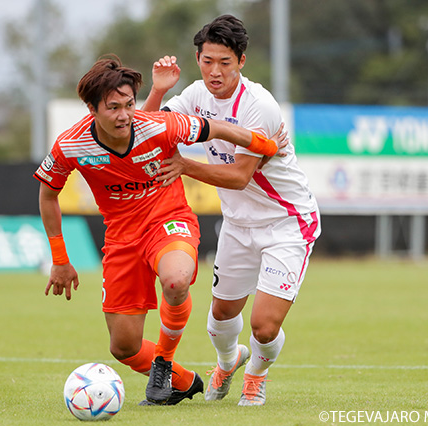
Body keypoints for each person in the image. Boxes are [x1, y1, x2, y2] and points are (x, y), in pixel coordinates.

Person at [34, 55, 283, 406]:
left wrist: (266, 146)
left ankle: (163, 361)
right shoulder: (71, 144)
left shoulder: (160, 125)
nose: (124, 115)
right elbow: (48, 194)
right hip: (121, 238)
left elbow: (218, 128)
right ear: (91, 109)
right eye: (113, 108)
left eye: (129, 104)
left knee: (176, 281)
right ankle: (183, 381)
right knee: (124, 347)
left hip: (169, 221)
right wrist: (60, 259)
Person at [142, 15, 321, 406]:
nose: (215, 71)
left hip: (287, 222)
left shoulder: (259, 106)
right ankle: (227, 362)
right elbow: (147, 129)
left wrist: (185, 166)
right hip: (238, 225)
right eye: (207, 61)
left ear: (241, 61)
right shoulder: (194, 95)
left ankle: (256, 375)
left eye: (225, 62)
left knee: (263, 325)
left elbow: (240, 176)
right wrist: (157, 90)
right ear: (197, 58)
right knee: (220, 318)